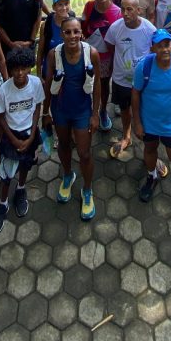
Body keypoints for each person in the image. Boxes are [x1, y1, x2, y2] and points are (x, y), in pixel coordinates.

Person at [132, 30, 171, 225]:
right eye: (160, 45)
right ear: (153, 48)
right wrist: (137, 122)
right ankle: (152, 177)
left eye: (167, 44)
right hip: (149, 122)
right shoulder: (145, 66)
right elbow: (135, 94)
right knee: (150, 150)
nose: (165, 49)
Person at [42, 16, 101, 219]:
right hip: (60, 110)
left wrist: (95, 114)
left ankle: (87, 189)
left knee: (84, 153)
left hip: (82, 110)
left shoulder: (91, 53)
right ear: (62, 34)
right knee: (65, 145)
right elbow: (48, 84)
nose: (72, 36)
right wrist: (45, 112)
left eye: (76, 31)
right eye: (68, 32)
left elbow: (98, 86)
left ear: (81, 33)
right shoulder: (53, 55)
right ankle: (68, 175)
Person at [0, 47, 45, 234]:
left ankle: (21, 189)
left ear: (30, 67)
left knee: (25, 165)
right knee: (6, 175)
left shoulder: (36, 83)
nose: (20, 73)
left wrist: (31, 136)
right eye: (15, 69)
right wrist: (12, 139)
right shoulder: (5, 90)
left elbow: (37, 106)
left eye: (24, 68)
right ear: (10, 69)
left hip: (29, 134)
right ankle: (3, 204)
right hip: (11, 136)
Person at [104, 0, 156, 158]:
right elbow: (111, 47)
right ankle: (127, 135)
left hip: (143, 82)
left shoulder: (149, 29)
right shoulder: (115, 28)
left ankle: (147, 140)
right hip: (121, 79)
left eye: (129, 9)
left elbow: (154, 52)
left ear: (138, 10)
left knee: (144, 109)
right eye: (123, 9)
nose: (125, 13)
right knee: (125, 109)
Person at [82, 0, 121, 132]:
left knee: (104, 84)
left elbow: (118, 38)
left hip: (106, 57)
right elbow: (84, 25)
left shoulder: (117, 12)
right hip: (87, 54)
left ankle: (103, 110)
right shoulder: (89, 6)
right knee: (84, 82)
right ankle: (87, 111)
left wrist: (114, 61)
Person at [37, 0, 75, 78]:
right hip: (50, 70)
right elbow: (40, 52)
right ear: (54, 7)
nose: (64, 8)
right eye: (60, 5)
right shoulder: (46, 25)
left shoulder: (74, 23)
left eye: (66, 4)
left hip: (68, 71)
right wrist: (39, 75)